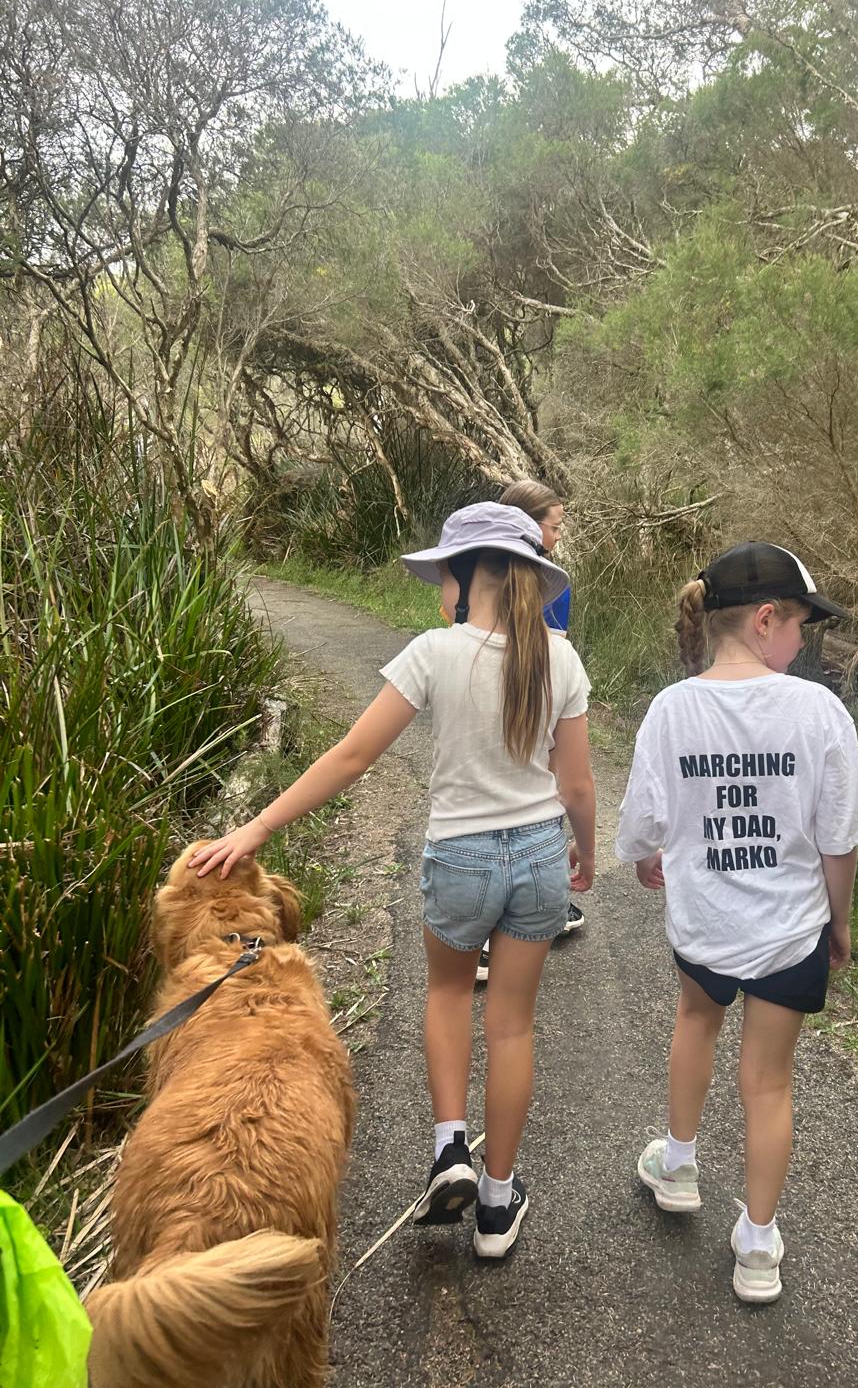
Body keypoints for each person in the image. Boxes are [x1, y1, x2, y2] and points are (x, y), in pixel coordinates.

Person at [189, 503, 597, 1261]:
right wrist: (587, 853)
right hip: (541, 855)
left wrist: (257, 829)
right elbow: (576, 785)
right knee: (512, 1025)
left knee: (448, 994)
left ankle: (451, 1151)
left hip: (461, 859)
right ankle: (497, 1205)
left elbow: (352, 757)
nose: (439, 591)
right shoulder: (560, 657)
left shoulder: (433, 653)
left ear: (467, 579)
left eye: (442, 576)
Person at [616, 541, 858, 1302]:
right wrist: (838, 922)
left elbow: (643, 825)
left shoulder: (673, 709)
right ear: (766, 620)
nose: (803, 641)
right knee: (769, 1081)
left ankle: (678, 1165)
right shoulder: (818, 710)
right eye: (800, 625)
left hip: (706, 922)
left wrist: (648, 859)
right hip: (791, 931)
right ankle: (758, 1245)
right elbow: (839, 838)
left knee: (695, 1022)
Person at [465, 478, 582, 987]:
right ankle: (531, 910)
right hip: (534, 713)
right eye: (554, 526)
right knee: (537, 800)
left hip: (477, 719)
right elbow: (547, 657)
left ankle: (486, 934)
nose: (558, 536)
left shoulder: (472, 576)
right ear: (528, 528)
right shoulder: (551, 585)